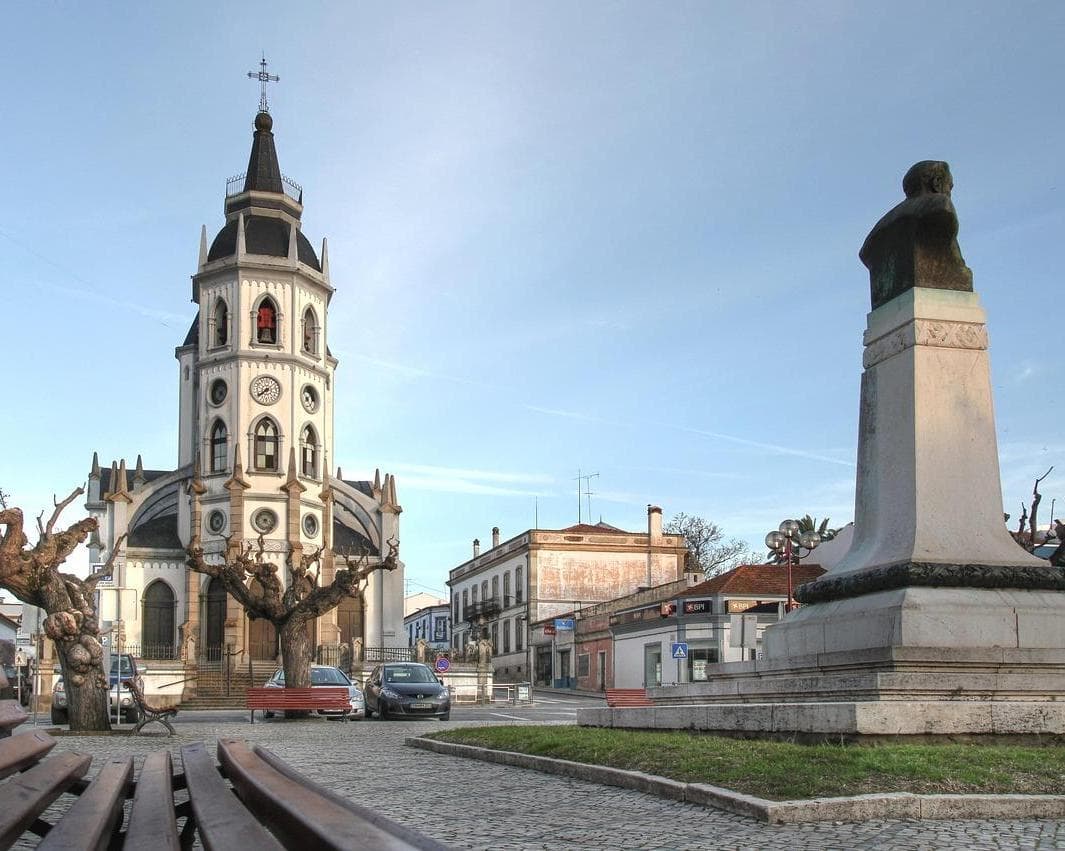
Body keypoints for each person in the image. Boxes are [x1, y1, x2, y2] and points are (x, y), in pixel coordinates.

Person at [859, 160, 973, 309]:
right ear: (936, 183)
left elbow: (864, 253)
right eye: (949, 186)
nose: (950, 192)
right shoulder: (940, 205)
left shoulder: (876, 232)